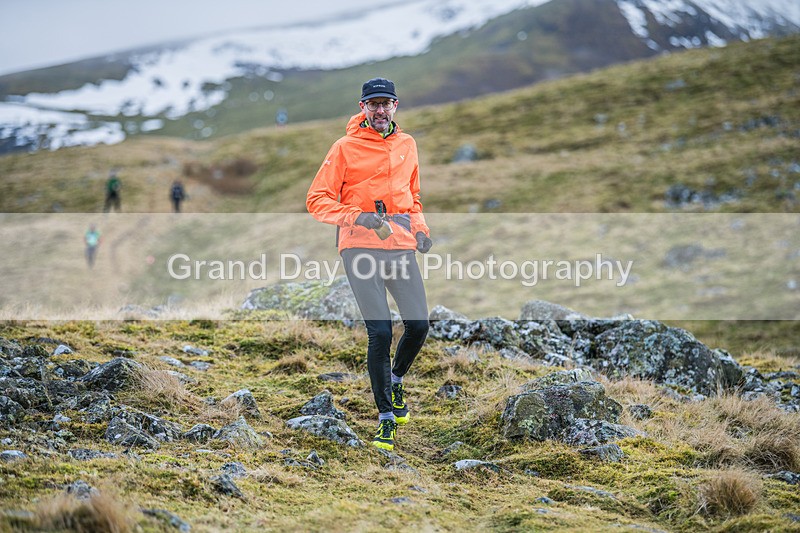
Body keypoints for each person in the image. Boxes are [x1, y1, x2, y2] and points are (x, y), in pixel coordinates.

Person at [307, 77, 433, 452]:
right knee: (379, 333)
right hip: (359, 248)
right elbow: (317, 199)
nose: (380, 110)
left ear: (396, 106)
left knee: (419, 325)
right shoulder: (344, 147)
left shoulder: (407, 145)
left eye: (386, 103)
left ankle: (394, 380)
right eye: (373, 104)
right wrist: (354, 217)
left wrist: (421, 230)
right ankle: (385, 418)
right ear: (362, 108)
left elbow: (414, 198)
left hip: (400, 246)